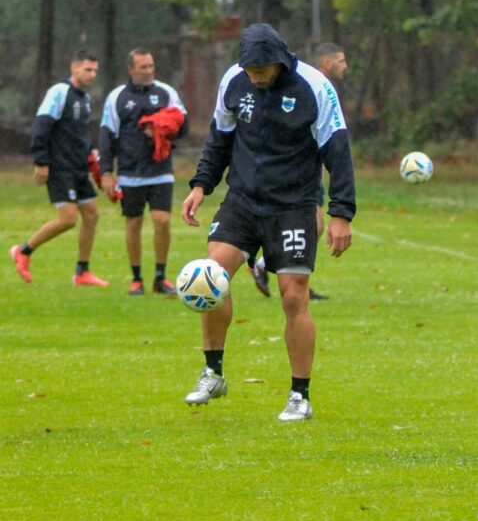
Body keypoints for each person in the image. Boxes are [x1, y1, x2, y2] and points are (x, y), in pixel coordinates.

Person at [181, 23, 356, 421]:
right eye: (249, 71)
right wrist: (200, 185)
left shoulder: (314, 87)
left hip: (293, 205)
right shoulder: (234, 80)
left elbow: (338, 151)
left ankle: (300, 395)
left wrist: (341, 213)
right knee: (212, 277)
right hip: (242, 200)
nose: (255, 77)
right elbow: (219, 140)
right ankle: (213, 371)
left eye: (261, 71)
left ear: (279, 61)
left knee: (294, 297)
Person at [248, 41, 349, 301]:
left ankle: (294, 276)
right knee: (311, 223)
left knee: (314, 225)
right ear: (326, 63)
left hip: (310, 170)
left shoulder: (321, 88)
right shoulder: (306, 86)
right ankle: (268, 265)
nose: (345, 66)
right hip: (296, 173)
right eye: (340, 60)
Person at [10, 50, 109, 287]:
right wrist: (41, 162)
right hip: (59, 167)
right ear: (74, 68)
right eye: (87, 69)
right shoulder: (59, 92)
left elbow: (80, 132)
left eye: (95, 70)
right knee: (68, 219)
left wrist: (92, 152)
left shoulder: (84, 98)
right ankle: (23, 251)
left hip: (77, 167)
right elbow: (42, 125)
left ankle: (82, 272)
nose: (92, 74)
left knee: (92, 214)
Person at [99, 48, 189, 296]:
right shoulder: (117, 97)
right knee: (134, 222)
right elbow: (107, 135)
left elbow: (184, 126)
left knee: (162, 220)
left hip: (161, 170)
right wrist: (106, 172)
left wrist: (163, 129)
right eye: (143, 67)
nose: (149, 71)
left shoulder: (166, 92)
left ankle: (160, 277)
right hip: (129, 172)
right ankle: (137, 278)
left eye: (151, 66)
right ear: (131, 69)